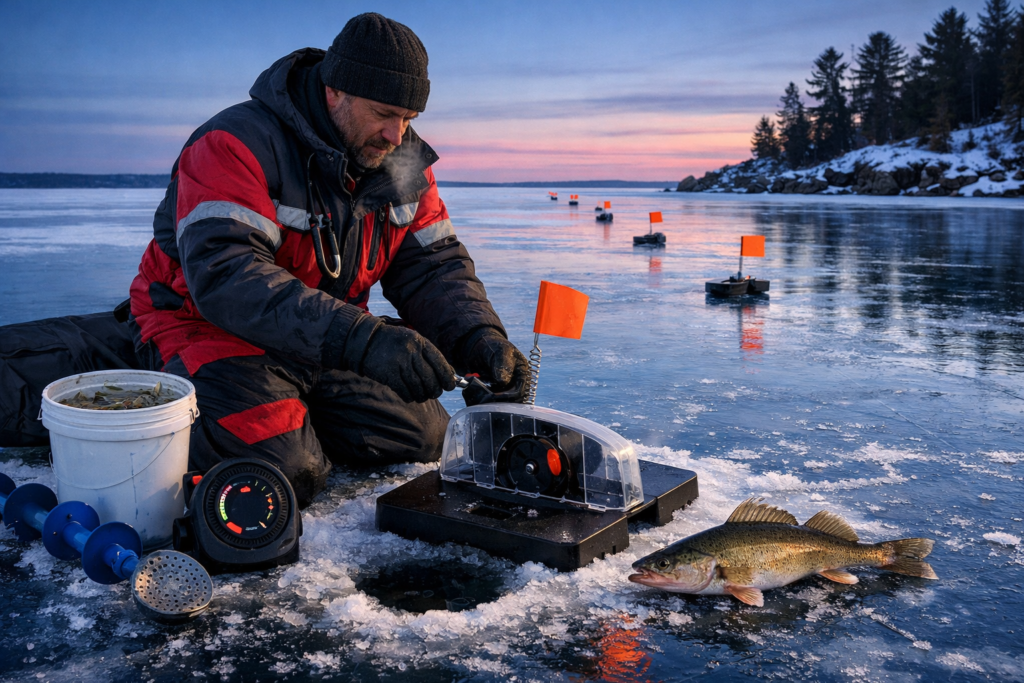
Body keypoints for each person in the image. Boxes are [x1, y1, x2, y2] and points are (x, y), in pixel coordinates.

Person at [127, 13, 530, 507]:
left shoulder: (399, 164)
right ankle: (193, 409)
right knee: (286, 471)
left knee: (426, 437)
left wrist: (479, 340)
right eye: (384, 112)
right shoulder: (236, 143)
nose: (395, 134)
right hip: (205, 326)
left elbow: (435, 267)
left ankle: (293, 408)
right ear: (335, 90)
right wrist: (362, 339)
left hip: (321, 341)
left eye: (409, 118)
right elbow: (227, 276)